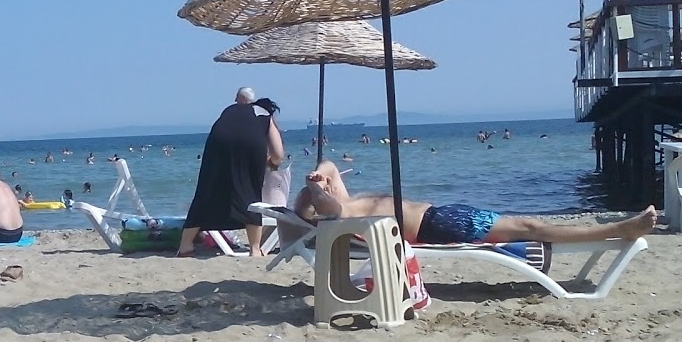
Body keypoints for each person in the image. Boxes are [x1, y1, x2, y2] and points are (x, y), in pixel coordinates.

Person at [291, 159, 657, 245]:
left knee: (528, 224)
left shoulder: (351, 200)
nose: (329, 185)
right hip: (443, 226)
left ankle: (612, 229)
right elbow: (324, 205)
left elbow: (330, 167)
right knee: (530, 227)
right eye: (323, 192)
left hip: (445, 215)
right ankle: (617, 229)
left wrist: (318, 174)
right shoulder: (343, 214)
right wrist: (313, 192)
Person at [177, 88, 285, 258]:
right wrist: (271, 163)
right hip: (252, 145)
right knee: (250, 193)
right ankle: (255, 249)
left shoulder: (229, 111)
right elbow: (278, 154)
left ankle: (185, 245)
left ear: (240, 99)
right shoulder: (264, 114)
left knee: (207, 190)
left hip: (219, 142)